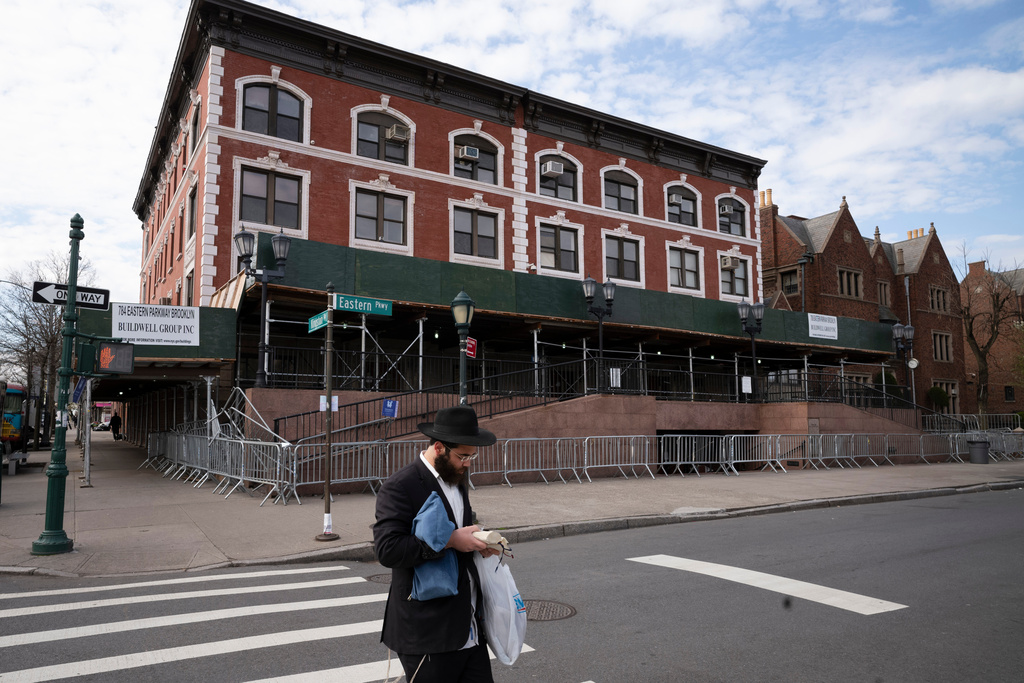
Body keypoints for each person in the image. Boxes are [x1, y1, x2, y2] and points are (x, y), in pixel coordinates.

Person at [373, 405, 500, 682]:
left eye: (472, 456)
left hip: (469, 626)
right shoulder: (401, 485)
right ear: (439, 448)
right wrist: (451, 540)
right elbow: (388, 550)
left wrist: (479, 543)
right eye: (463, 456)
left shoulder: (457, 480)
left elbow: (457, 535)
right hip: (428, 634)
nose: (468, 463)